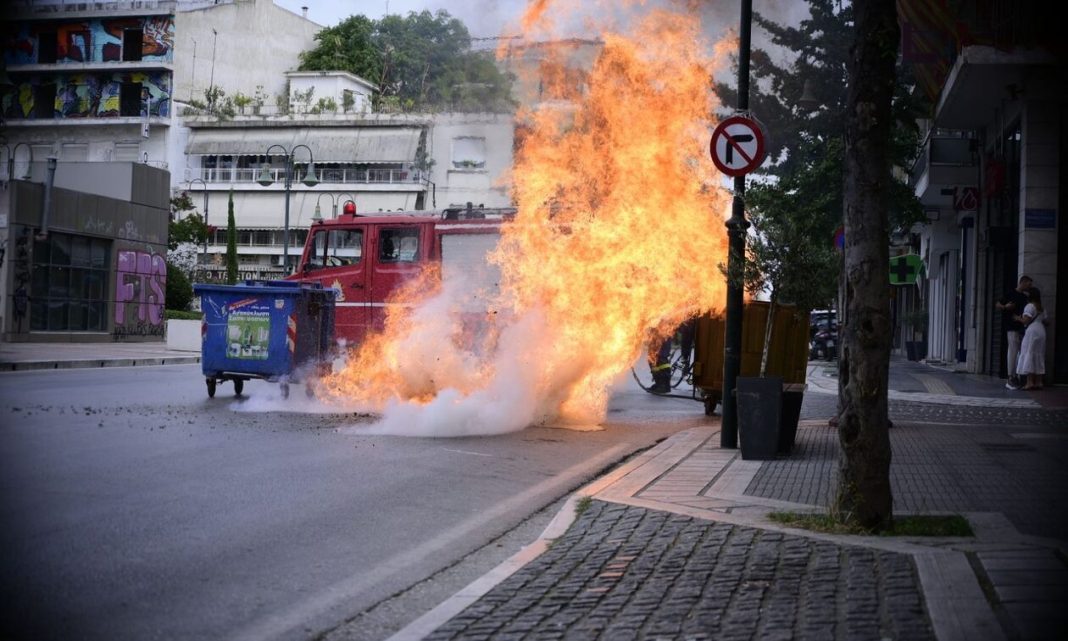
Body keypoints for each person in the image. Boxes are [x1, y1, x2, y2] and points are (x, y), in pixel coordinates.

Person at [995, 275, 1032, 389]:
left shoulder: (1025, 297)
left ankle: (1018, 376)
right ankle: (1011, 377)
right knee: (1013, 350)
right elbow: (997, 304)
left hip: (1022, 327)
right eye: (1028, 284)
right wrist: (1005, 307)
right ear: (1023, 282)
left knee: (1020, 352)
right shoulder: (1010, 293)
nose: (1029, 286)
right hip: (1011, 326)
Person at [1014, 287, 1047, 391]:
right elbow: (1047, 322)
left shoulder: (1029, 306)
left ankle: (1029, 382)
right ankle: (1039, 382)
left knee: (1029, 353)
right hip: (1041, 330)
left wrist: (1018, 318)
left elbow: (1026, 321)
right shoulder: (1042, 308)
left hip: (1032, 331)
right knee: (1038, 354)